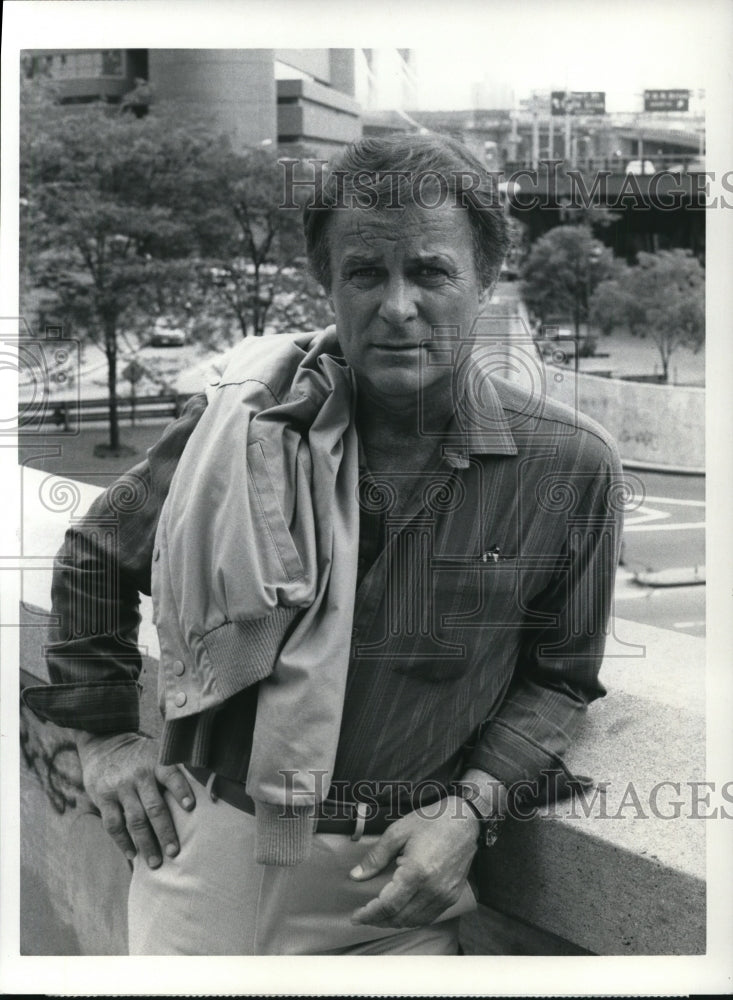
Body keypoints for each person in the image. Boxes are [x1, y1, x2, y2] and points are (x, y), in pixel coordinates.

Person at [23, 134, 624, 955]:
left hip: (394, 889)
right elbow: (96, 554)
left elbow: (558, 677)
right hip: (204, 860)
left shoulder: (568, 465)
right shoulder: (238, 422)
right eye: (366, 273)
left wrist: (470, 807)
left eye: (431, 271)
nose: (398, 306)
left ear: (485, 281)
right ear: (327, 283)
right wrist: (103, 738)